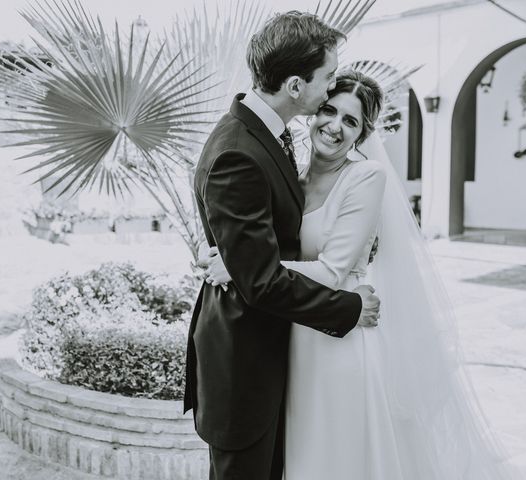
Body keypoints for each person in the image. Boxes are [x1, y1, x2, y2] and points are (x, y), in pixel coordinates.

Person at [202, 70, 519, 479]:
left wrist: (240, 267)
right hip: (291, 333)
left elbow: (332, 272)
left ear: (361, 133)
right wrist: (213, 248)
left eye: (350, 121)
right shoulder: (291, 177)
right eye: (329, 111)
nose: (334, 126)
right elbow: (249, 231)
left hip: (337, 338)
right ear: (314, 112)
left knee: (335, 457)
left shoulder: (366, 178)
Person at [183, 11, 381, 480]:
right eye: (328, 78)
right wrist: (349, 308)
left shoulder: (269, 135)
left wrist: (233, 259)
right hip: (245, 364)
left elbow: (262, 243)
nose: (331, 88)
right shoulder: (240, 150)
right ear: (296, 85)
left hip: (283, 352)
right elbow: (263, 282)